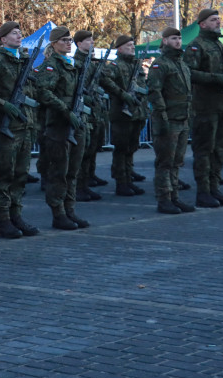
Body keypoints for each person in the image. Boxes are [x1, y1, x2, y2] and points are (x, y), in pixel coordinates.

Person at [0, 21, 40, 239]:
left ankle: (17, 216)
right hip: (3, 127)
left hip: (24, 125)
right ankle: (3, 220)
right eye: (14, 33)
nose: (19, 36)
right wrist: (3, 104)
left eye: (20, 33)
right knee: (3, 174)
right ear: (3, 39)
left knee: (20, 174)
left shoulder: (23, 60)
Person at [33, 26, 89, 230]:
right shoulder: (51, 66)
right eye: (64, 40)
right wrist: (66, 111)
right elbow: (44, 93)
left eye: (69, 40)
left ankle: (70, 210)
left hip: (75, 124)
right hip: (58, 126)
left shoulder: (71, 65)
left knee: (73, 171)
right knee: (59, 172)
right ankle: (58, 214)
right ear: (54, 43)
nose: (68, 43)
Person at [184, 8, 223, 207]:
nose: (218, 23)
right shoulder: (196, 46)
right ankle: (203, 191)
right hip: (205, 106)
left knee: (220, 150)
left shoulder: (220, 45)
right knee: (204, 150)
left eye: (218, 19)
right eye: (213, 20)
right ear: (202, 24)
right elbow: (190, 73)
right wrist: (216, 79)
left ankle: (215, 188)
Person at [147, 27, 196, 214]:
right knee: (165, 162)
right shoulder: (161, 64)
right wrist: (163, 116)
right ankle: (164, 199)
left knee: (177, 162)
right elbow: (155, 91)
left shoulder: (181, 64)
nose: (177, 41)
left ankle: (174, 196)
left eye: (179, 38)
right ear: (165, 40)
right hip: (168, 120)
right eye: (173, 38)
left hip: (182, 119)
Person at [100, 35, 148, 197]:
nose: (132, 47)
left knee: (131, 149)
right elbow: (104, 79)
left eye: (133, 45)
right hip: (122, 114)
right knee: (121, 149)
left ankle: (128, 179)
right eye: (128, 45)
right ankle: (121, 182)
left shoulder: (136, 65)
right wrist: (122, 94)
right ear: (119, 48)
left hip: (136, 113)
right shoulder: (115, 65)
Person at [72, 31, 103, 202]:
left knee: (90, 150)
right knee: (81, 152)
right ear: (79, 43)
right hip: (82, 111)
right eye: (88, 40)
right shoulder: (77, 63)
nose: (92, 42)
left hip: (93, 111)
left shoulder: (91, 62)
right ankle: (78, 187)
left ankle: (85, 183)